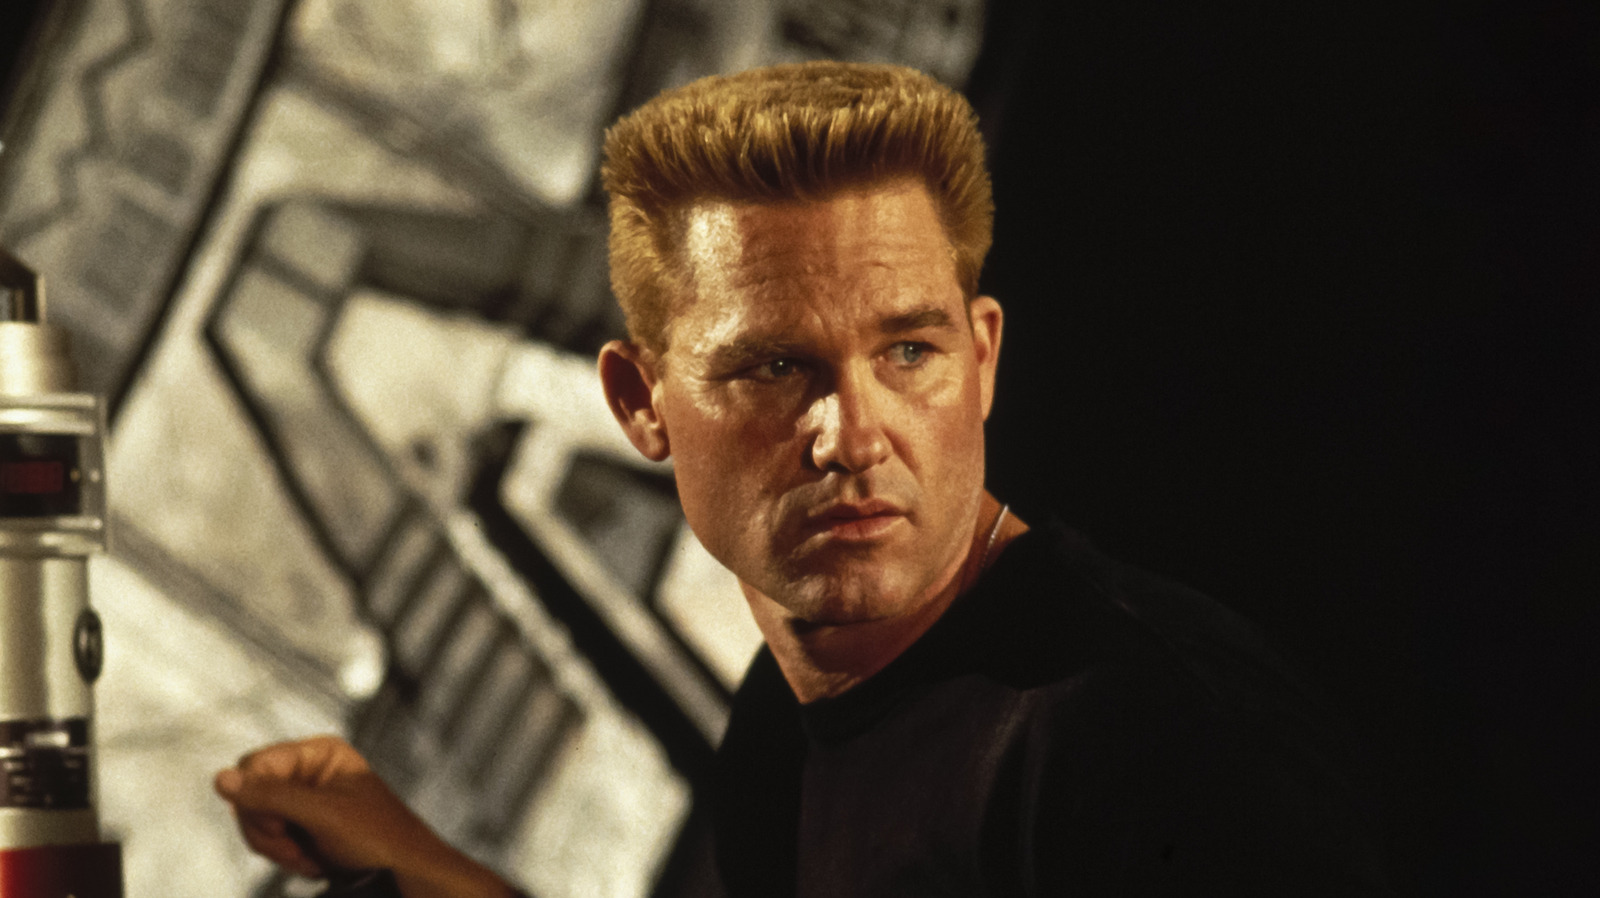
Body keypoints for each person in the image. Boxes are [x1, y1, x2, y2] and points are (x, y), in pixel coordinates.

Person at [214, 61, 1389, 896]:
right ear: (643, 406)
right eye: (774, 367)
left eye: (906, 351)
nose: (851, 433)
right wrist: (417, 864)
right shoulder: (781, 746)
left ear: (982, 357)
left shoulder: (1127, 728)